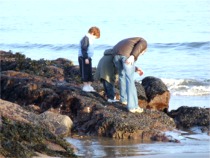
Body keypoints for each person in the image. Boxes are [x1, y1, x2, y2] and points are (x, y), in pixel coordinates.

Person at [113, 37, 147, 113]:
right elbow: (140, 45)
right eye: (142, 53)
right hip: (126, 57)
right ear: (143, 49)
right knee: (130, 80)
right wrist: (133, 56)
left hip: (116, 56)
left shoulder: (130, 41)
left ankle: (123, 99)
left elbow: (123, 57)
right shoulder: (143, 42)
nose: (141, 54)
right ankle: (133, 106)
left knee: (122, 76)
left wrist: (136, 69)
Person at [78, 26, 100, 92]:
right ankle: (85, 86)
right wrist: (86, 58)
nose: (95, 38)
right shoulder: (86, 38)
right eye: (96, 36)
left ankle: (89, 85)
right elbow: (84, 48)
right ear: (93, 33)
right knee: (85, 71)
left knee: (89, 71)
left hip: (88, 57)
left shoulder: (90, 39)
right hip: (83, 57)